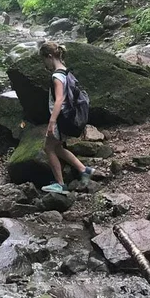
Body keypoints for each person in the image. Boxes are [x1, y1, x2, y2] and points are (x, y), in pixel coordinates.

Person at [39, 42, 95, 193]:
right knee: (57, 147)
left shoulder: (57, 76)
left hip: (60, 117)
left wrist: (52, 122)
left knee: (48, 148)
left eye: (44, 60)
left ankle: (60, 184)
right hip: (68, 116)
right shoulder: (66, 72)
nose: (44, 64)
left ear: (49, 56)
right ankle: (84, 169)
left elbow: (59, 100)